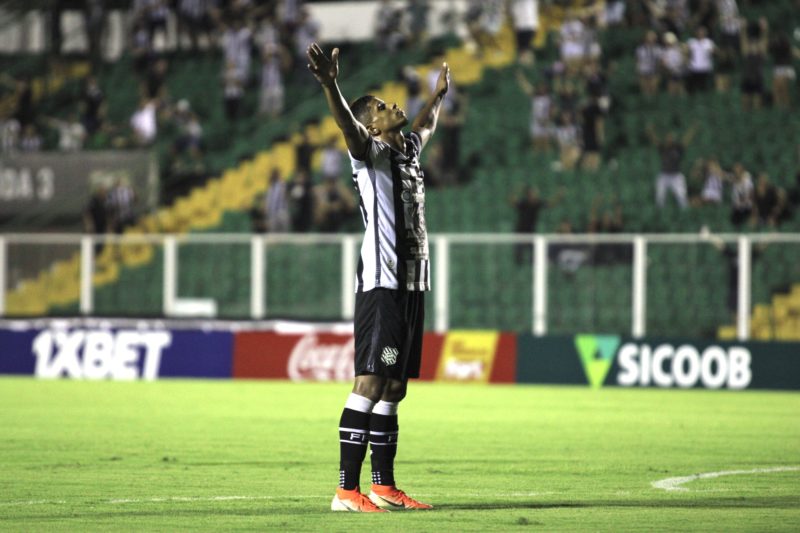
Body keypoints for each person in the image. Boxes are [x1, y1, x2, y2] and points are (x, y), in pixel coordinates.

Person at [307, 42, 446, 513]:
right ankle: (347, 490)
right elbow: (346, 123)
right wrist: (330, 84)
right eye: (383, 107)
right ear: (372, 125)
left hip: (411, 282)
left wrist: (439, 96)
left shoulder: (405, 148)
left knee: (395, 387)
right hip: (382, 283)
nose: (393, 106)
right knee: (369, 382)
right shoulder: (368, 154)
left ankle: (383, 486)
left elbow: (425, 125)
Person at [647, 123, 697, 209]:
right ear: (666, 139)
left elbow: (686, 139)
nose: (670, 139)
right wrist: (650, 131)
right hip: (664, 176)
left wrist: (692, 129)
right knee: (660, 198)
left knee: (682, 199)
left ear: (674, 139)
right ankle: (660, 215)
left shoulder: (678, 148)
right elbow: (654, 139)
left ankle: (686, 215)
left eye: (671, 137)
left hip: (676, 176)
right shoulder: (662, 148)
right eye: (668, 137)